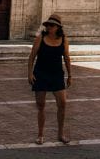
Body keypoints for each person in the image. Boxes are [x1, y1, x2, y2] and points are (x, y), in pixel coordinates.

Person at [29, 13, 73, 145]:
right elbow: (32, 56)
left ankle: (60, 134)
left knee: (63, 104)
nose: (49, 27)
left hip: (57, 74)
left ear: (58, 27)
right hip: (41, 73)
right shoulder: (40, 38)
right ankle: (40, 135)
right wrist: (30, 74)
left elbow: (66, 57)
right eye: (48, 25)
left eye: (52, 25)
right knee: (41, 105)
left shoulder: (64, 39)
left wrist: (70, 75)